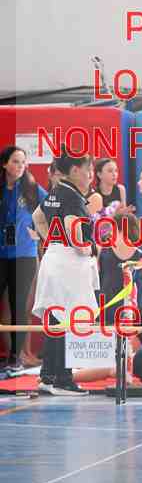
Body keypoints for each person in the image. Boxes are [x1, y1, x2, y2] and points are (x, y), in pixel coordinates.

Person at [31, 146, 99, 395]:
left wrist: (51, 239)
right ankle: (62, 379)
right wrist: (87, 248)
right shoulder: (72, 197)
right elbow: (74, 231)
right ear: (75, 170)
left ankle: (49, 376)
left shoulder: (56, 191)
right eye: (88, 169)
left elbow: (37, 217)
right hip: (68, 265)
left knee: (55, 320)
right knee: (67, 320)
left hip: (55, 260)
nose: (91, 174)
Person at [0, 146, 47, 370]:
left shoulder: (32, 188)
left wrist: (40, 233)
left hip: (24, 256)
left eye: (22, 162)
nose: (20, 166)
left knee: (18, 305)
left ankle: (15, 357)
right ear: (5, 164)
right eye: (15, 161)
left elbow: (52, 210)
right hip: (1, 254)